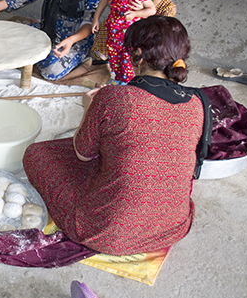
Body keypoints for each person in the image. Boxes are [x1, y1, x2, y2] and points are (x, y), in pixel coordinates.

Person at [24, 16, 211, 255]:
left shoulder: (115, 97)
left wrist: (87, 109)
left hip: (106, 233)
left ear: (139, 55)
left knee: (37, 154)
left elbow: (83, 153)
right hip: (172, 226)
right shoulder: (197, 103)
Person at [91, 0, 156, 84]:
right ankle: (118, 78)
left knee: (128, 60)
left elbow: (152, 10)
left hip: (130, 37)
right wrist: (96, 19)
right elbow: (103, 2)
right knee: (115, 58)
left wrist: (135, 14)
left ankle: (127, 83)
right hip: (114, 34)